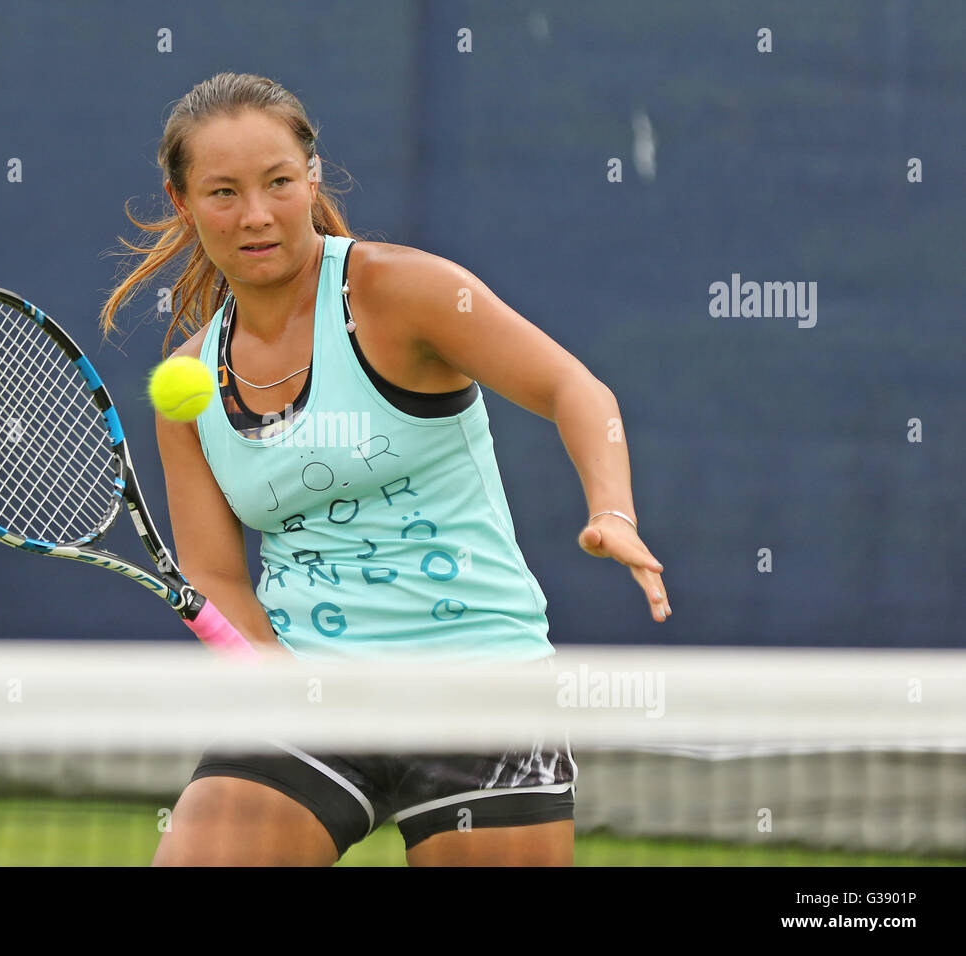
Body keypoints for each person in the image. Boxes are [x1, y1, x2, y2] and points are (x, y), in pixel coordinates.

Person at [101, 73, 670, 866]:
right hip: (312, 693)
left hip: (480, 687)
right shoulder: (188, 391)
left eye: (277, 183)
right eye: (224, 192)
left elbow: (575, 388)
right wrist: (278, 679)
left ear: (312, 176)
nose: (257, 214)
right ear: (183, 200)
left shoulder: (402, 294)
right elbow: (216, 575)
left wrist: (613, 508)